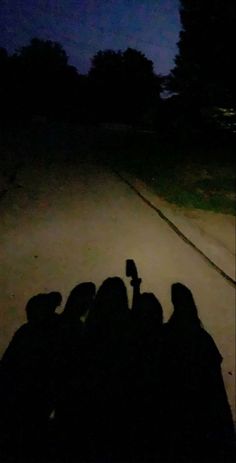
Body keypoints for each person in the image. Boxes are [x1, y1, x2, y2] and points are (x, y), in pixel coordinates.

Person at [161, 283, 235, 462]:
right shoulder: (202, 338)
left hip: (176, 418)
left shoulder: (167, 335)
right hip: (203, 419)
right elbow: (215, 383)